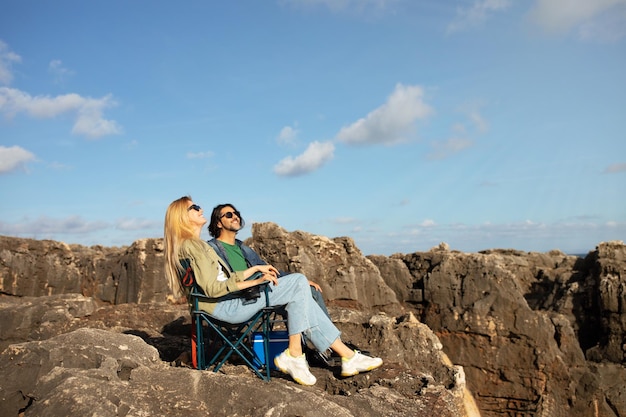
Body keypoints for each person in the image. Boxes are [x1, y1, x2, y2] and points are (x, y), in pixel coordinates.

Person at [164, 196, 383, 386]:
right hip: (225, 308)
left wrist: (255, 271)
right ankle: (302, 354)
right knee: (298, 283)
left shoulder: (197, 245)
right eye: (194, 208)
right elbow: (213, 288)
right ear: (182, 217)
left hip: (227, 302)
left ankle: (340, 355)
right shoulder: (194, 246)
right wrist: (251, 283)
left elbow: (223, 279)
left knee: (300, 290)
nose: (200, 209)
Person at [206, 203, 329, 317]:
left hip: (260, 290)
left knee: (310, 291)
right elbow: (218, 283)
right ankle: (328, 340)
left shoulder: (242, 247)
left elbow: (268, 269)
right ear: (218, 223)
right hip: (241, 297)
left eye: (236, 213)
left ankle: (324, 340)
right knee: (299, 297)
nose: (235, 217)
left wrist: (301, 281)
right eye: (229, 215)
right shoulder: (212, 249)